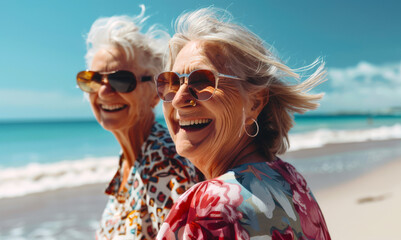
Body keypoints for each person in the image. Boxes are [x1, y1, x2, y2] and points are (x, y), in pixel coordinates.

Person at [155, 7, 331, 239]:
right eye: (171, 83)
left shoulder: (210, 207)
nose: (178, 100)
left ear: (255, 103)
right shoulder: (291, 180)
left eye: (202, 81)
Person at [76, 6, 202, 239]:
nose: (103, 92)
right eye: (92, 80)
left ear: (156, 93)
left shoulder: (165, 164)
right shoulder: (131, 159)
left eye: (121, 80)